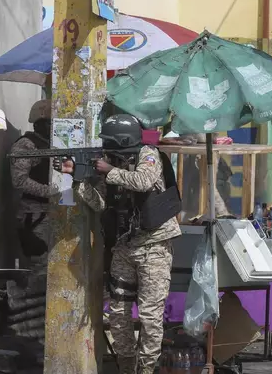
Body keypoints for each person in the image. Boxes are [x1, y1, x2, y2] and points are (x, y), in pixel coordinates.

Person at [58, 114, 181, 374]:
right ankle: (126, 368)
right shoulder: (111, 163)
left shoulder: (148, 155)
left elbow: (143, 181)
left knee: (149, 317)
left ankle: (146, 371)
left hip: (154, 246)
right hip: (124, 247)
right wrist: (77, 179)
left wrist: (109, 170)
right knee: (118, 314)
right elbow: (100, 203)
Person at [10, 114, 59, 272]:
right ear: (40, 124)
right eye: (50, 123)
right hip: (35, 214)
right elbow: (19, 181)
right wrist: (49, 192)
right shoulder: (27, 144)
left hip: (54, 212)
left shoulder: (53, 144)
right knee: (40, 264)